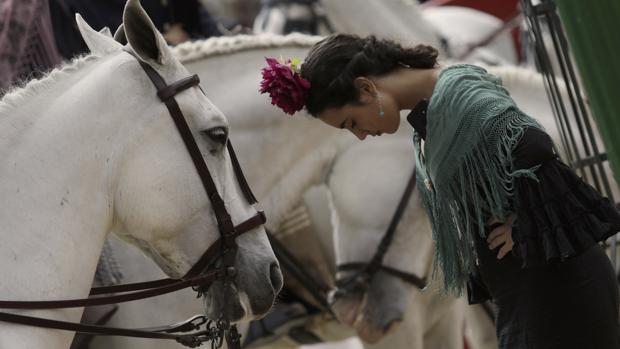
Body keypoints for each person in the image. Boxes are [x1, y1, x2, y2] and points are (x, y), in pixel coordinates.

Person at [259, 33, 620, 348]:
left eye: (352, 122)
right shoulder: (435, 107)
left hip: (558, 291)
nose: (360, 134)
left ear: (367, 88)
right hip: (532, 289)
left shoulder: (456, 93)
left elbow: (534, 144)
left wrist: (525, 222)